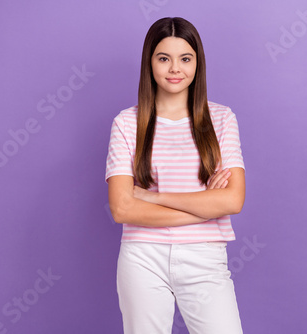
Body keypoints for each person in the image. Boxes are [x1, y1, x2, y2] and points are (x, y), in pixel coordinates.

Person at [105, 16, 246, 334]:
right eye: (163, 58)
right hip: (143, 257)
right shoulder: (127, 123)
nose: (174, 69)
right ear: (149, 62)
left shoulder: (222, 119)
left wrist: (151, 197)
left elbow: (233, 200)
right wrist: (206, 207)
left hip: (205, 257)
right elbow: (122, 209)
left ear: (197, 63)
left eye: (185, 59)